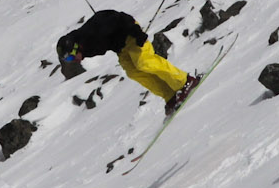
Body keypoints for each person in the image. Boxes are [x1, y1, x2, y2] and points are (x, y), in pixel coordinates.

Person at [56, 9, 198, 112]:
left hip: (130, 33)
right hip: (120, 47)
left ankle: (185, 81)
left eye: (70, 57)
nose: (73, 61)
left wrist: (136, 31)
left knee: (143, 61)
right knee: (132, 72)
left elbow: (119, 18)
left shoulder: (92, 32)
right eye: (68, 60)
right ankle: (170, 95)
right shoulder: (83, 48)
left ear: (75, 48)